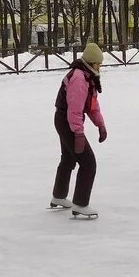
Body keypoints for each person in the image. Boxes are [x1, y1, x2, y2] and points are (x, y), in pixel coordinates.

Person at [51, 43, 107, 218]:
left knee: (68, 159)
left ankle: (59, 196)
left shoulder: (87, 76)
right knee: (88, 162)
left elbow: (92, 106)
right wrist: (78, 133)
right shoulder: (79, 78)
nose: (100, 67)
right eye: (99, 63)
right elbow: (74, 109)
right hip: (67, 121)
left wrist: (100, 124)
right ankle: (81, 204)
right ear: (92, 62)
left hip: (65, 120)